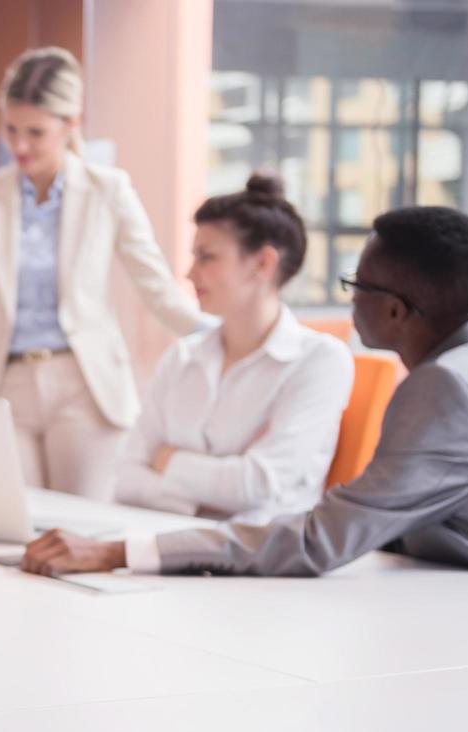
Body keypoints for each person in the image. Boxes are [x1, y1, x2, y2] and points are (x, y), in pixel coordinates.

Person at [24, 206, 468, 578]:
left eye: (357, 284)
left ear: (395, 311)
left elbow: (320, 539)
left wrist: (117, 551)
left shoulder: (442, 388)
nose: (350, 298)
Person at [0, 46, 207, 500]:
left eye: (36, 132)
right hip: (4, 385)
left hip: (84, 384)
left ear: (71, 124)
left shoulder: (109, 189)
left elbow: (157, 289)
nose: (20, 145)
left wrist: (223, 336)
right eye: (11, 129)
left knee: (81, 527)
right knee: (10, 524)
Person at [114, 174, 353, 523]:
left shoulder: (319, 361)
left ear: (262, 264)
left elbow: (259, 485)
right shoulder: (182, 357)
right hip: (168, 543)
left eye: (206, 257)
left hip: (260, 562)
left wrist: (168, 461)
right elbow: (127, 479)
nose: (189, 273)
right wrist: (201, 506)